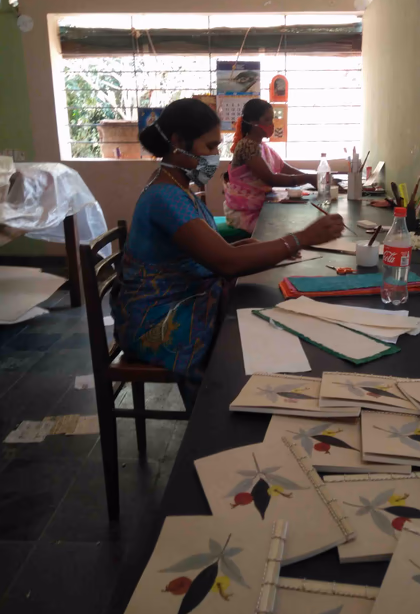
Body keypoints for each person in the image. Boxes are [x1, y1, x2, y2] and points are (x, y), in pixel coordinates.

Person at [111, 98, 343, 396]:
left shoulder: (177, 187)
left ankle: (259, 397)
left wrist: (251, 247)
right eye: (209, 147)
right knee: (246, 333)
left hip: (179, 298)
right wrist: (301, 238)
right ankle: (223, 417)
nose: (214, 157)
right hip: (155, 321)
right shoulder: (164, 197)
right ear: (179, 142)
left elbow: (215, 252)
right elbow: (227, 262)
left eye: (217, 147)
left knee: (257, 308)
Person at [224, 98, 319, 233]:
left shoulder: (261, 146)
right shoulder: (247, 145)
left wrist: (312, 177)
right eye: (267, 120)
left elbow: (284, 168)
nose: (272, 124)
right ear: (253, 123)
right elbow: (270, 178)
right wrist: (307, 178)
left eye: (272, 119)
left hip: (257, 206)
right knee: (286, 228)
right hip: (244, 213)